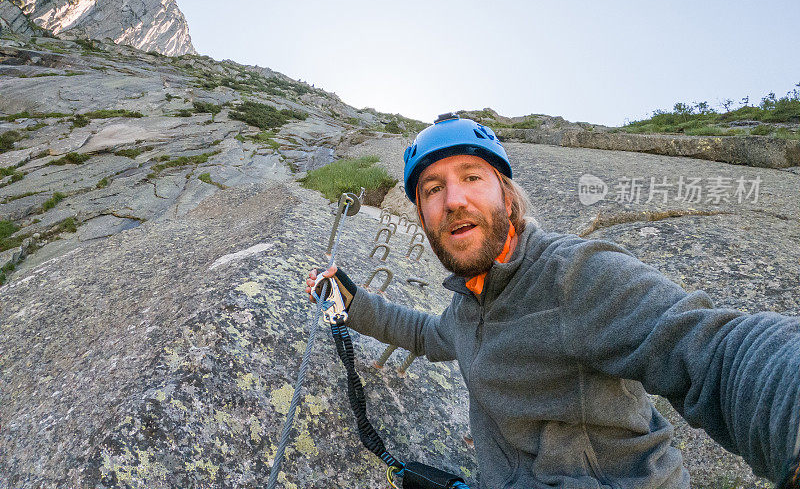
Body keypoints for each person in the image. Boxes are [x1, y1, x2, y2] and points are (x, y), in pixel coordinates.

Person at [306, 113, 800, 489]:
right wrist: (353, 302)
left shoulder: (571, 275)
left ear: (507, 196)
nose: (453, 198)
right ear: (423, 216)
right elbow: (428, 336)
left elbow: (711, 349)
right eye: (432, 189)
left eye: (471, 176)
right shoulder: (469, 302)